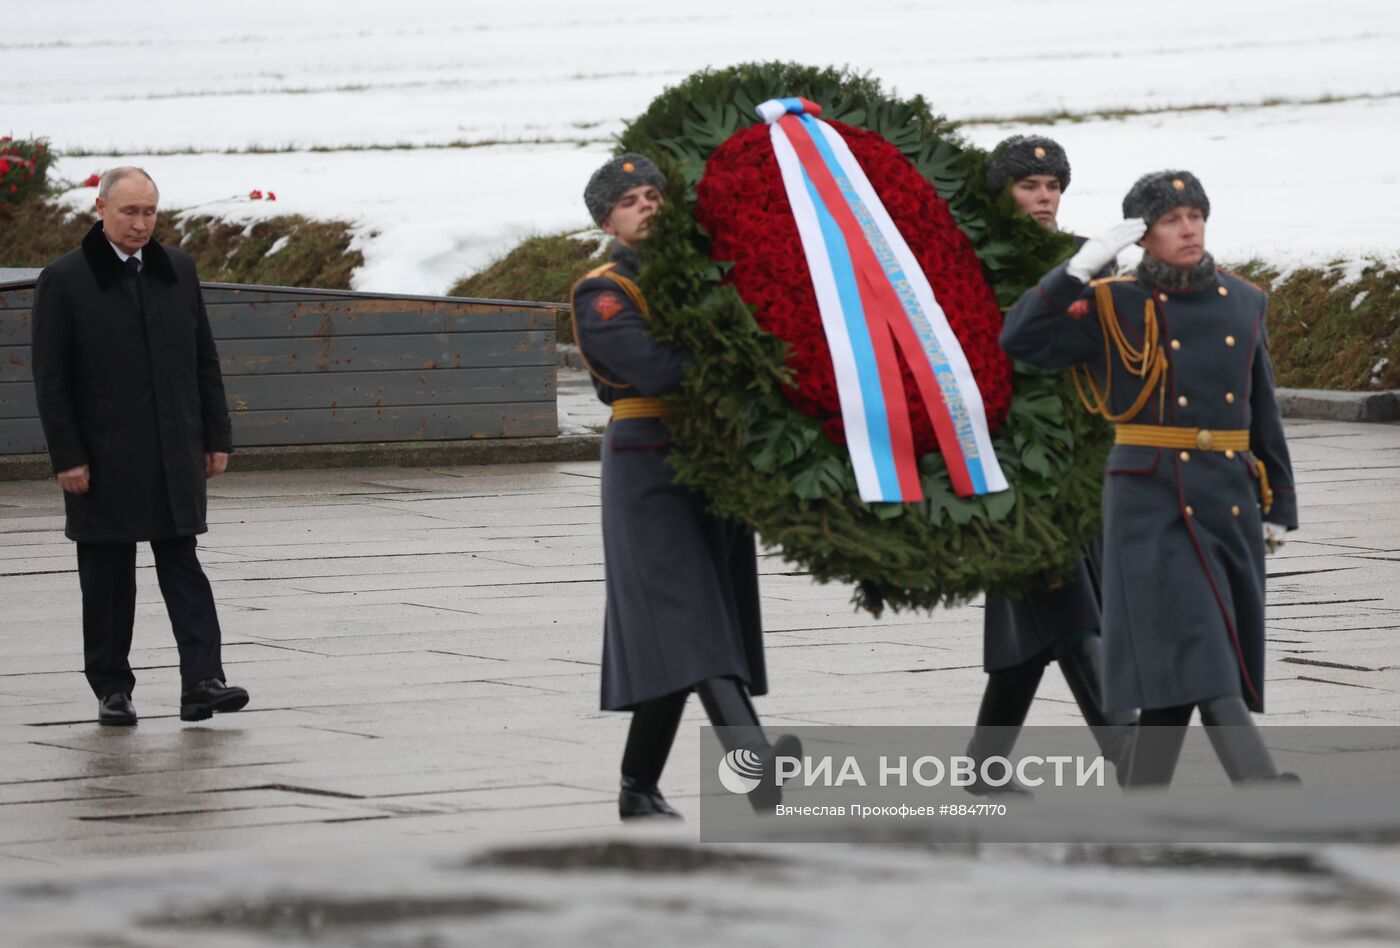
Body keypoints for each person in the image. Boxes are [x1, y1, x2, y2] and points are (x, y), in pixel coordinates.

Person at [1001, 170, 1298, 786]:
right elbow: (1021, 337)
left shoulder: (1244, 300)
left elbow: (1260, 406)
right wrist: (1078, 268)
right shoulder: (1112, 302)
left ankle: (1143, 795)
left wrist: (1279, 502)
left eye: (1196, 216)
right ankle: (1262, 787)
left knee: (1177, 674)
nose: (1188, 229)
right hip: (1152, 502)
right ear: (1143, 236)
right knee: (1208, 645)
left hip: (1230, 499)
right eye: (1171, 220)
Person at [571, 153, 798, 821]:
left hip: (715, 462)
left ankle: (638, 786)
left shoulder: (708, 280)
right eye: (631, 199)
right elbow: (660, 369)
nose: (647, 204)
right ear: (606, 218)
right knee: (696, 627)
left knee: (689, 629)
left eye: (654, 194)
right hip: (650, 468)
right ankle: (763, 779)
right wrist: (736, 348)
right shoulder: (604, 290)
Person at [30, 167, 248, 727]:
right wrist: (68, 456)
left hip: (174, 448)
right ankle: (112, 689)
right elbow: (50, 380)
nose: (141, 223)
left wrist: (215, 436)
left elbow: (204, 358)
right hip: (102, 457)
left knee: (183, 564)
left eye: (150, 211)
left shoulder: (177, 268)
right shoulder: (65, 279)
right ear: (100, 209)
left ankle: (203, 681)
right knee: (107, 575)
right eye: (129, 211)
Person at [966, 135, 1137, 794]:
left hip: (1084, 459)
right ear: (1001, 192)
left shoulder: (1086, 258)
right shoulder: (972, 264)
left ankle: (985, 767)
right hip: (1012, 462)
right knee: (1070, 609)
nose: (1044, 197)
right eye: (1028, 185)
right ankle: (1135, 763)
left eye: (1052, 185)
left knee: (1042, 616)